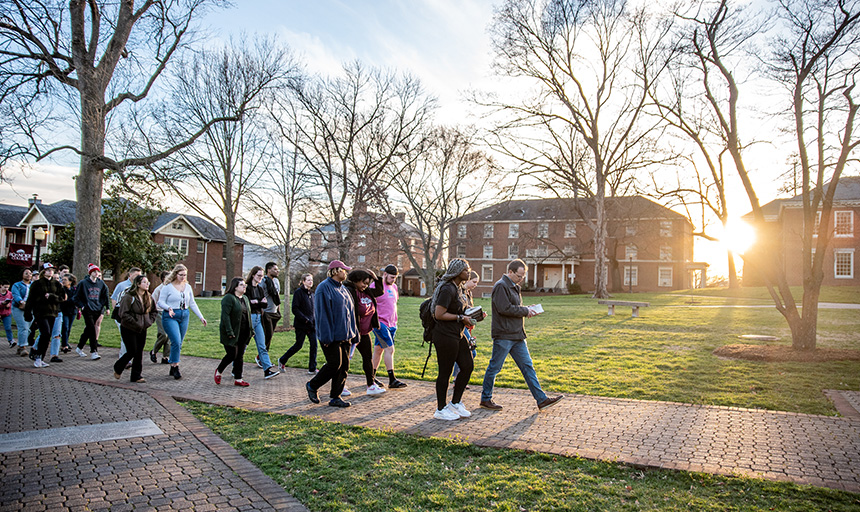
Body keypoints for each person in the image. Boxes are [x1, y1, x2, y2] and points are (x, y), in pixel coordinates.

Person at [480, 259, 563, 412]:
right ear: (510, 272)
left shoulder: (514, 287)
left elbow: (515, 308)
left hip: (517, 335)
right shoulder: (501, 286)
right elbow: (504, 308)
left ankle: (541, 399)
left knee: (527, 366)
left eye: (523, 277)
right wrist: (525, 311)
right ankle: (486, 398)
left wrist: (527, 309)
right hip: (504, 335)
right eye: (519, 276)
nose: (521, 279)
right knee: (494, 367)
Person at [306, 260, 357, 408]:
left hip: (345, 335)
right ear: (335, 271)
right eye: (343, 270)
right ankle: (312, 385)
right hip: (331, 336)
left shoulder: (343, 289)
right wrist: (326, 336)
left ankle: (336, 397)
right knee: (335, 364)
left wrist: (353, 333)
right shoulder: (324, 288)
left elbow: (350, 312)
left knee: (344, 366)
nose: (345, 273)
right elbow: (322, 315)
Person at [430, 258, 475, 420]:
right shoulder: (447, 289)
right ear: (456, 272)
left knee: (468, 365)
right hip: (444, 335)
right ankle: (440, 409)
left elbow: (460, 309)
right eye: (465, 270)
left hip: (458, 333)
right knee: (445, 372)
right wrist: (460, 318)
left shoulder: (459, 288)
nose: (468, 272)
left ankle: (455, 403)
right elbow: (439, 314)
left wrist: (473, 314)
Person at [157, 264, 207, 380]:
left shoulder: (188, 287)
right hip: (170, 316)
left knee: (179, 343)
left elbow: (192, 303)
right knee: (176, 340)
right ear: (175, 274)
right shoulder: (167, 287)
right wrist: (168, 308)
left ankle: (172, 365)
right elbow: (160, 302)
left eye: (185, 275)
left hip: (184, 315)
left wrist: (201, 317)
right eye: (181, 275)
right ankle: (175, 366)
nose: (183, 277)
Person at [344, 269, 386, 396]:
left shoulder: (367, 292)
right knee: (345, 360)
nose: (365, 286)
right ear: (356, 280)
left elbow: (379, 291)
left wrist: (376, 278)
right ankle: (341, 386)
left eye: (368, 283)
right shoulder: (349, 291)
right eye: (363, 283)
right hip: (351, 333)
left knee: (368, 359)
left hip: (364, 332)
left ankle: (371, 385)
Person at [113, 274, 157, 383]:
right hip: (129, 328)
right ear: (137, 284)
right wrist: (135, 323)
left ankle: (136, 376)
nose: (147, 284)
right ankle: (118, 367)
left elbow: (154, 311)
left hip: (142, 328)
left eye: (148, 283)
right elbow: (123, 313)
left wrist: (149, 321)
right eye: (144, 282)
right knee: (132, 350)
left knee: (139, 352)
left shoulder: (148, 297)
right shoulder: (129, 297)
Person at [370, 264, 407, 389]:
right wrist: (376, 322)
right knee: (390, 349)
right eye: (391, 277)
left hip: (392, 325)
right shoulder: (376, 286)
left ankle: (371, 377)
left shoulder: (394, 287)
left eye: (395, 278)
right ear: (384, 274)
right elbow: (369, 304)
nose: (393, 280)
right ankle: (392, 379)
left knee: (378, 350)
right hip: (381, 325)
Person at [24, 263, 63, 368]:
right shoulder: (36, 284)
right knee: (45, 333)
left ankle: (40, 357)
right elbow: (30, 299)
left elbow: (62, 298)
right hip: (40, 312)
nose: (50, 272)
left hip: (53, 312)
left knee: (48, 335)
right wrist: (27, 313)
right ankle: (37, 356)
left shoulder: (57, 284)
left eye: (52, 270)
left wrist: (52, 296)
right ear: (43, 271)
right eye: (48, 270)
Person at [277, 273, 317, 374]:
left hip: (311, 325)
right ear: (303, 281)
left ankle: (312, 368)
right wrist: (305, 319)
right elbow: (295, 309)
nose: (310, 282)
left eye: (311, 280)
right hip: (302, 324)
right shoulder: (298, 293)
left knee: (314, 345)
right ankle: (282, 360)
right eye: (308, 280)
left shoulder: (312, 294)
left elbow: (314, 310)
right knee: (299, 345)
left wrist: (314, 320)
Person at [216, 277, 252, 387]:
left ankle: (238, 379)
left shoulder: (245, 298)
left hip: (244, 332)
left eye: (245, 285)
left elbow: (248, 315)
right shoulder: (229, 298)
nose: (244, 286)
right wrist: (229, 331)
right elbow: (225, 317)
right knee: (232, 354)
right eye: (242, 285)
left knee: (240, 356)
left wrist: (251, 330)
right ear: (235, 287)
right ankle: (219, 371)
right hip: (231, 332)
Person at [246, 266, 280, 380]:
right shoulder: (247, 288)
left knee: (262, 345)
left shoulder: (260, 289)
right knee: (243, 346)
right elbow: (247, 304)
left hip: (258, 318)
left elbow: (264, 304)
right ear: (253, 275)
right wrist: (257, 302)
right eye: (259, 276)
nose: (261, 278)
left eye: (262, 275)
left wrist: (257, 302)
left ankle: (267, 370)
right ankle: (235, 367)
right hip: (249, 319)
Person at [74, 264, 109, 360]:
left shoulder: (101, 283)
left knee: (88, 330)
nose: (96, 273)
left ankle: (79, 347)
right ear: (90, 272)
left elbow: (105, 295)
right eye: (94, 271)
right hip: (87, 309)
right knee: (91, 329)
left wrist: (106, 307)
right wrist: (82, 306)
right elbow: (76, 297)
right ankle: (94, 351)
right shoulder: (83, 283)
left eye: (97, 271)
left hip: (97, 309)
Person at [453, 271, 482, 382]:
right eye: (474, 282)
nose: (475, 285)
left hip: (467, 326)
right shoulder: (460, 292)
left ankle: (458, 378)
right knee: (470, 352)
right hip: (460, 326)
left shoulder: (468, 293)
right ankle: (457, 378)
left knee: (465, 352)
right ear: (468, 280)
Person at [111, 267, 141, 359]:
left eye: (139, 275)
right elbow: (114, 299)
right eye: (136, 275)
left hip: (134, 316)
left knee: (133, 338)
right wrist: (118, 312)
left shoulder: (139, 286)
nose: (138, 277)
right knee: (125, 338)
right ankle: (124, 358)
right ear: (130, 275)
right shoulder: (122, 285)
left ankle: (128, 357)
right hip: (122, 315)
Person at [149, 271, 171, 364]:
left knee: (169, 336)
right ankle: (154, 351)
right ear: (163, 279)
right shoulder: (159, 289)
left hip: (170, 313)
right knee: (163, 334)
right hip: (160, 312)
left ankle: (166, 357)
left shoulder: (172, 288)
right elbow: (152, 301)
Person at [11, 269, 32, 356]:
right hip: (18, 308)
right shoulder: (17, 285)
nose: (28, 275)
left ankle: (20, 345)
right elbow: (16, 295)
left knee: (28, 329)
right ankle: (23, 347)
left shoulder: (33, 285)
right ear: (22, 275)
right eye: (26, 273)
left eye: (30, 273)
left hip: (30, 308)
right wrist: (21, 301)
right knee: (23, 327)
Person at [261, 262, 282, 352]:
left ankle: (262, 356)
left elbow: (277, 296)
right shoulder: (263, 281)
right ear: (269, 270)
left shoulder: (276, 281)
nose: (277, 271)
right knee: (267, 335)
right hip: (266, 312)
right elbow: (260, 296)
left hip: (275, 312)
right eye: (275, 269)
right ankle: (262, 357)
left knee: (270, 335)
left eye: (277, 269)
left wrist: (278, 310)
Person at [59, 274, 78, 355]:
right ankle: (64, 345)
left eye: (65, 280)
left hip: (72, 311)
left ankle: (66, 342)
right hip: (64, 311)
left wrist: (68, 300)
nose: (63, 281)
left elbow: (75, 299)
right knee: (65, 327)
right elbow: (62, 300)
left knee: (69, 328)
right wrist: (69, 301)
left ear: (70, 282)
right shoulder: (62, 290)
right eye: (62, 280)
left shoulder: (74, 290)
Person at [0, 282, 13, 348]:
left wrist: (9, 305)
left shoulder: (10, 293)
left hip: (6, 313)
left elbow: (12, 301)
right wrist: (2, 303)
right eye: (5, 287)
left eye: (7, 287)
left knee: (8, 327)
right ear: (1, 286)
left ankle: (11, 340)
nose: (6, 289)